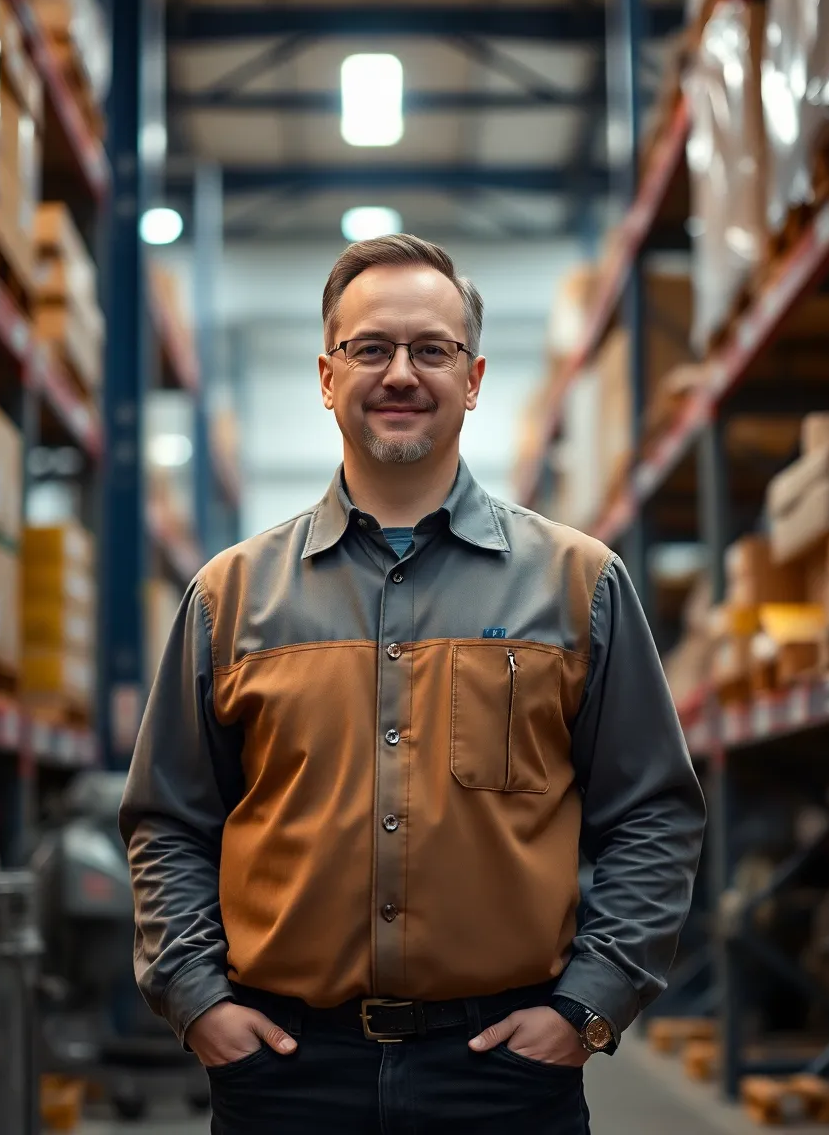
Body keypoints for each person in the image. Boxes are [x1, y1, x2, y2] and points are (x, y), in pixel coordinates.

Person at [120, 235, 706, 1134]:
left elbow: (653, 813)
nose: (402, 373)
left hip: (504, 1076)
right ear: (325, 376)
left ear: (471, 379)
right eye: (370, 348)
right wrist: (196, 999)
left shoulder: (578, 583)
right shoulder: (227, 598)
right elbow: (170, 820)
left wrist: (588, 1004)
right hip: (285, 1075)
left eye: (431, 349)